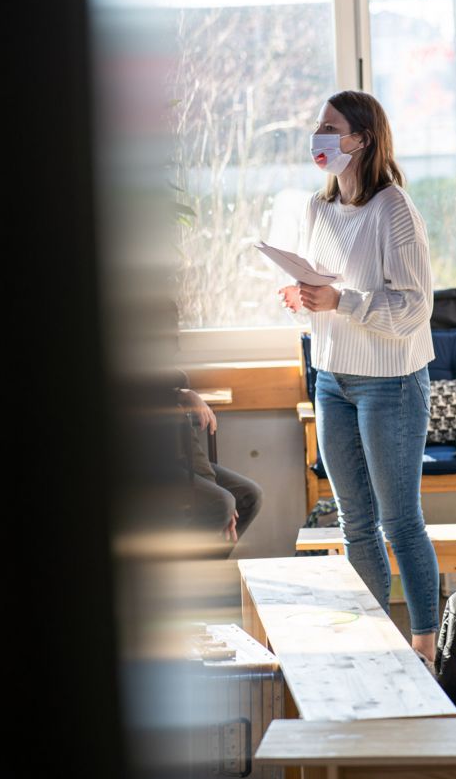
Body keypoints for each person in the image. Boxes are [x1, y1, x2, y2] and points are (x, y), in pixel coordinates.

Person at [279, 90, 439, 668]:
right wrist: (303, 295)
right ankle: (378, 649)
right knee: (355, 524)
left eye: (330, 127)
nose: (319, 136)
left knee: (400, 522)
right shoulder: (316, 209)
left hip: (389, 383)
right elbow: (323, 288)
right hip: (331, 379)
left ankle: (426, 650)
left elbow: (414, 309)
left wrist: (340, 301)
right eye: (318, 126)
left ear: (362, 139)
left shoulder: (394, 209)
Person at [173, 372, 263, 556]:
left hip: (180, 459)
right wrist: (183, 395)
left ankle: (208, 565)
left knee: (249, 495)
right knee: (222, 503)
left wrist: (184, 394)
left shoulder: (174, 386)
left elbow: (189, 444)